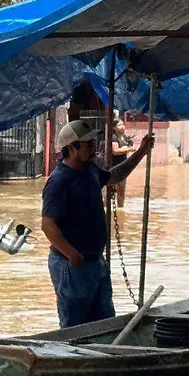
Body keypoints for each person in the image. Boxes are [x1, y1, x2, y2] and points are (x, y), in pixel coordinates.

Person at [41, 119, 155, 327]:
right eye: (88, 144)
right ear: (73, 148)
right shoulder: (59, 180)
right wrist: (72, 255)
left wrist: (140, 152)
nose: (95, 148)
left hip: (95, 261)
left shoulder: (90, 170)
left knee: (104, 321)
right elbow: (48, 225)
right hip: (72, 264)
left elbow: (114, 176)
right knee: (75, 328)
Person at [110, 118, 135, 208]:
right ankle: (106, 208)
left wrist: (128, 148)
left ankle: (121, 209)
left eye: (123, 124)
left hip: (123, 166)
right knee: (111, 190)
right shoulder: (114, 137)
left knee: (121, 190)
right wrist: (128, 149)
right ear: (114, 127)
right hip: (115, 166)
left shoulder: (123, 137)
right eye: (119, 125)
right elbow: (115, 151)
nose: (122, 127)